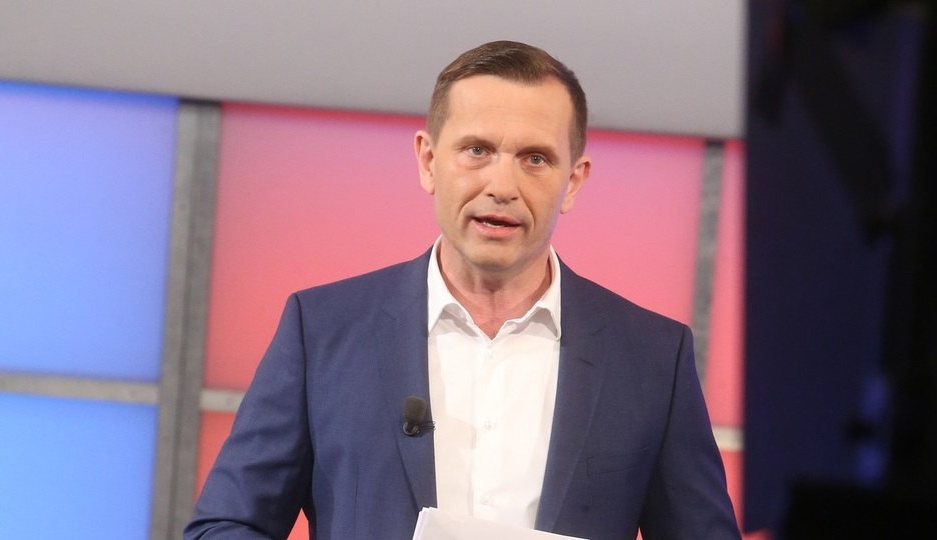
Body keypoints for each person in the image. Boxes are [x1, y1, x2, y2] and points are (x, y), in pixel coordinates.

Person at [186, 40, 740, 540]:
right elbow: (225, 525)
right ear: (429, 161)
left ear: (573, 181)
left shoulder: (652, 357)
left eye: (535, 159)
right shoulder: (322, 329)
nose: (502, 186)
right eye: (477, 150)